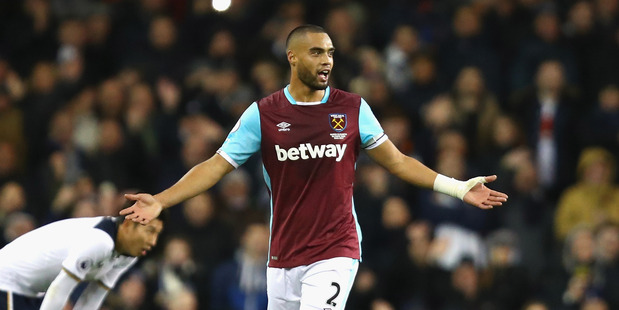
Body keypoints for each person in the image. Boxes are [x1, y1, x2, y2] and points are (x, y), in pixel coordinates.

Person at [121, 24, 508, 309]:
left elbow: (398, 161)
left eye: (330, 53)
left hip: (336, 248)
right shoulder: (264, 114)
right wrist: (161, 200)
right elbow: (215, 166)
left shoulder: (352, 109)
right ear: (292, 57)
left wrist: (458, 188)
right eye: (317, 52)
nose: (327, 61)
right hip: (283, 254)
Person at [0, 213, 165, 310]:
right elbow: (61, 288)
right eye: (149, 231)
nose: (153, 241)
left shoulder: (127, 254)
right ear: (128, 224)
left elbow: (92, 297)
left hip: (32, 290)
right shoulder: (100, 241)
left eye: (157, 234)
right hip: (8, 279)